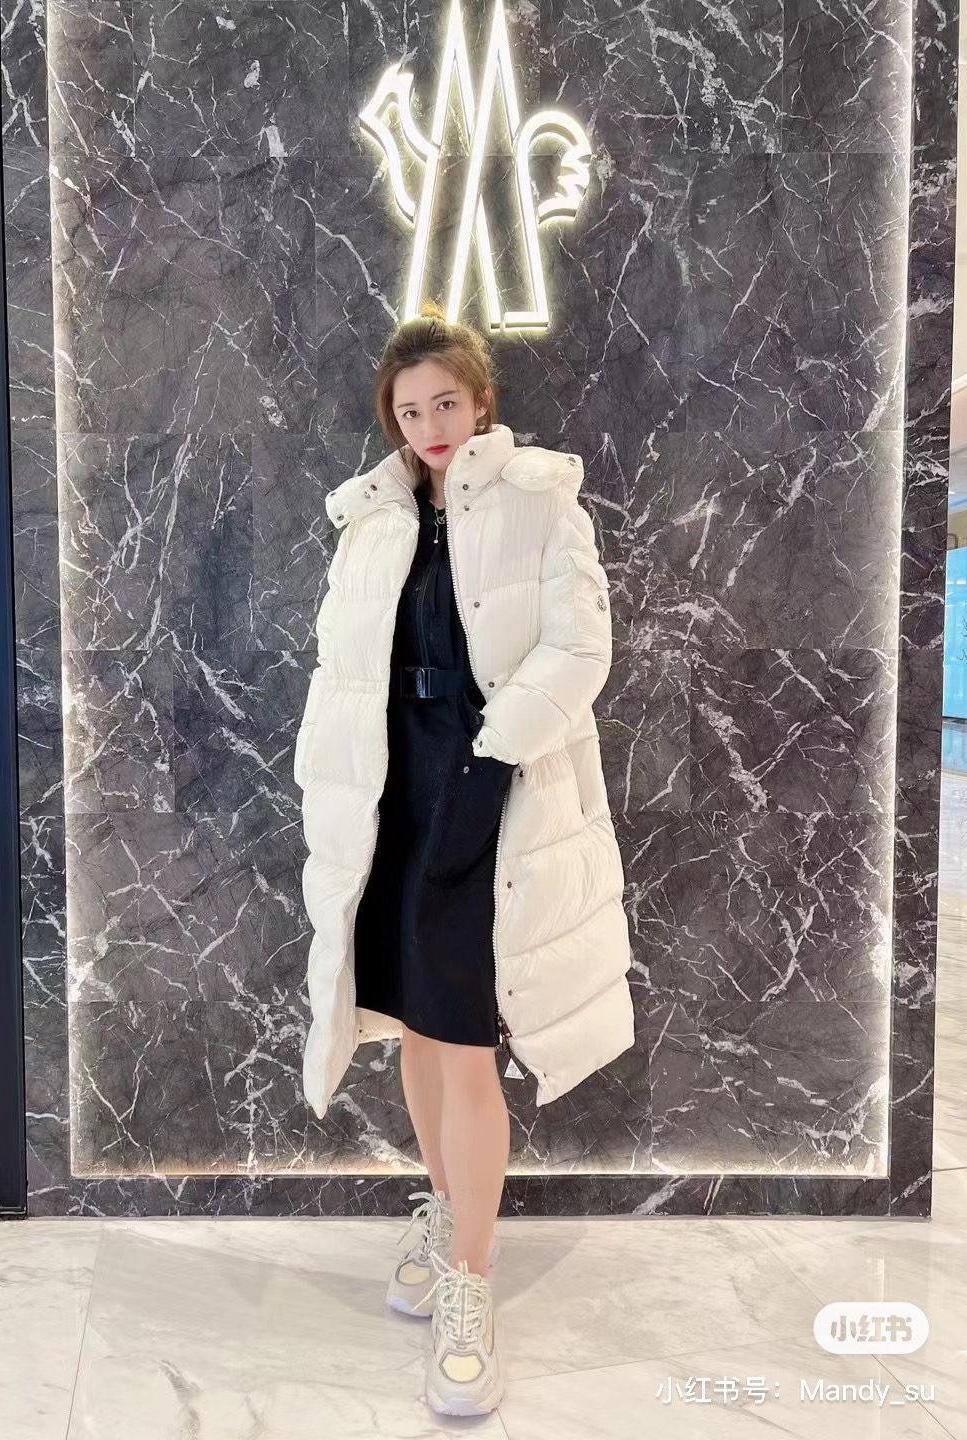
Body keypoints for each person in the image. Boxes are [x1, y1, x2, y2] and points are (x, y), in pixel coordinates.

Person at [294, 303, 635, 1417]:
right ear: (391, 423)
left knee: (466, 1039)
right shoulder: (371, 522)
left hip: (488, 788)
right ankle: (446, 1218)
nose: (430, 425)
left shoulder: (540, 500)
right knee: (410, 1025)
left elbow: (581, 646)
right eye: (410, 411)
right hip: (388, 798)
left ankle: (471, 1284)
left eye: (446, 402)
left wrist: (491, 758)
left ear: (481, 403)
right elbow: (340, 671)